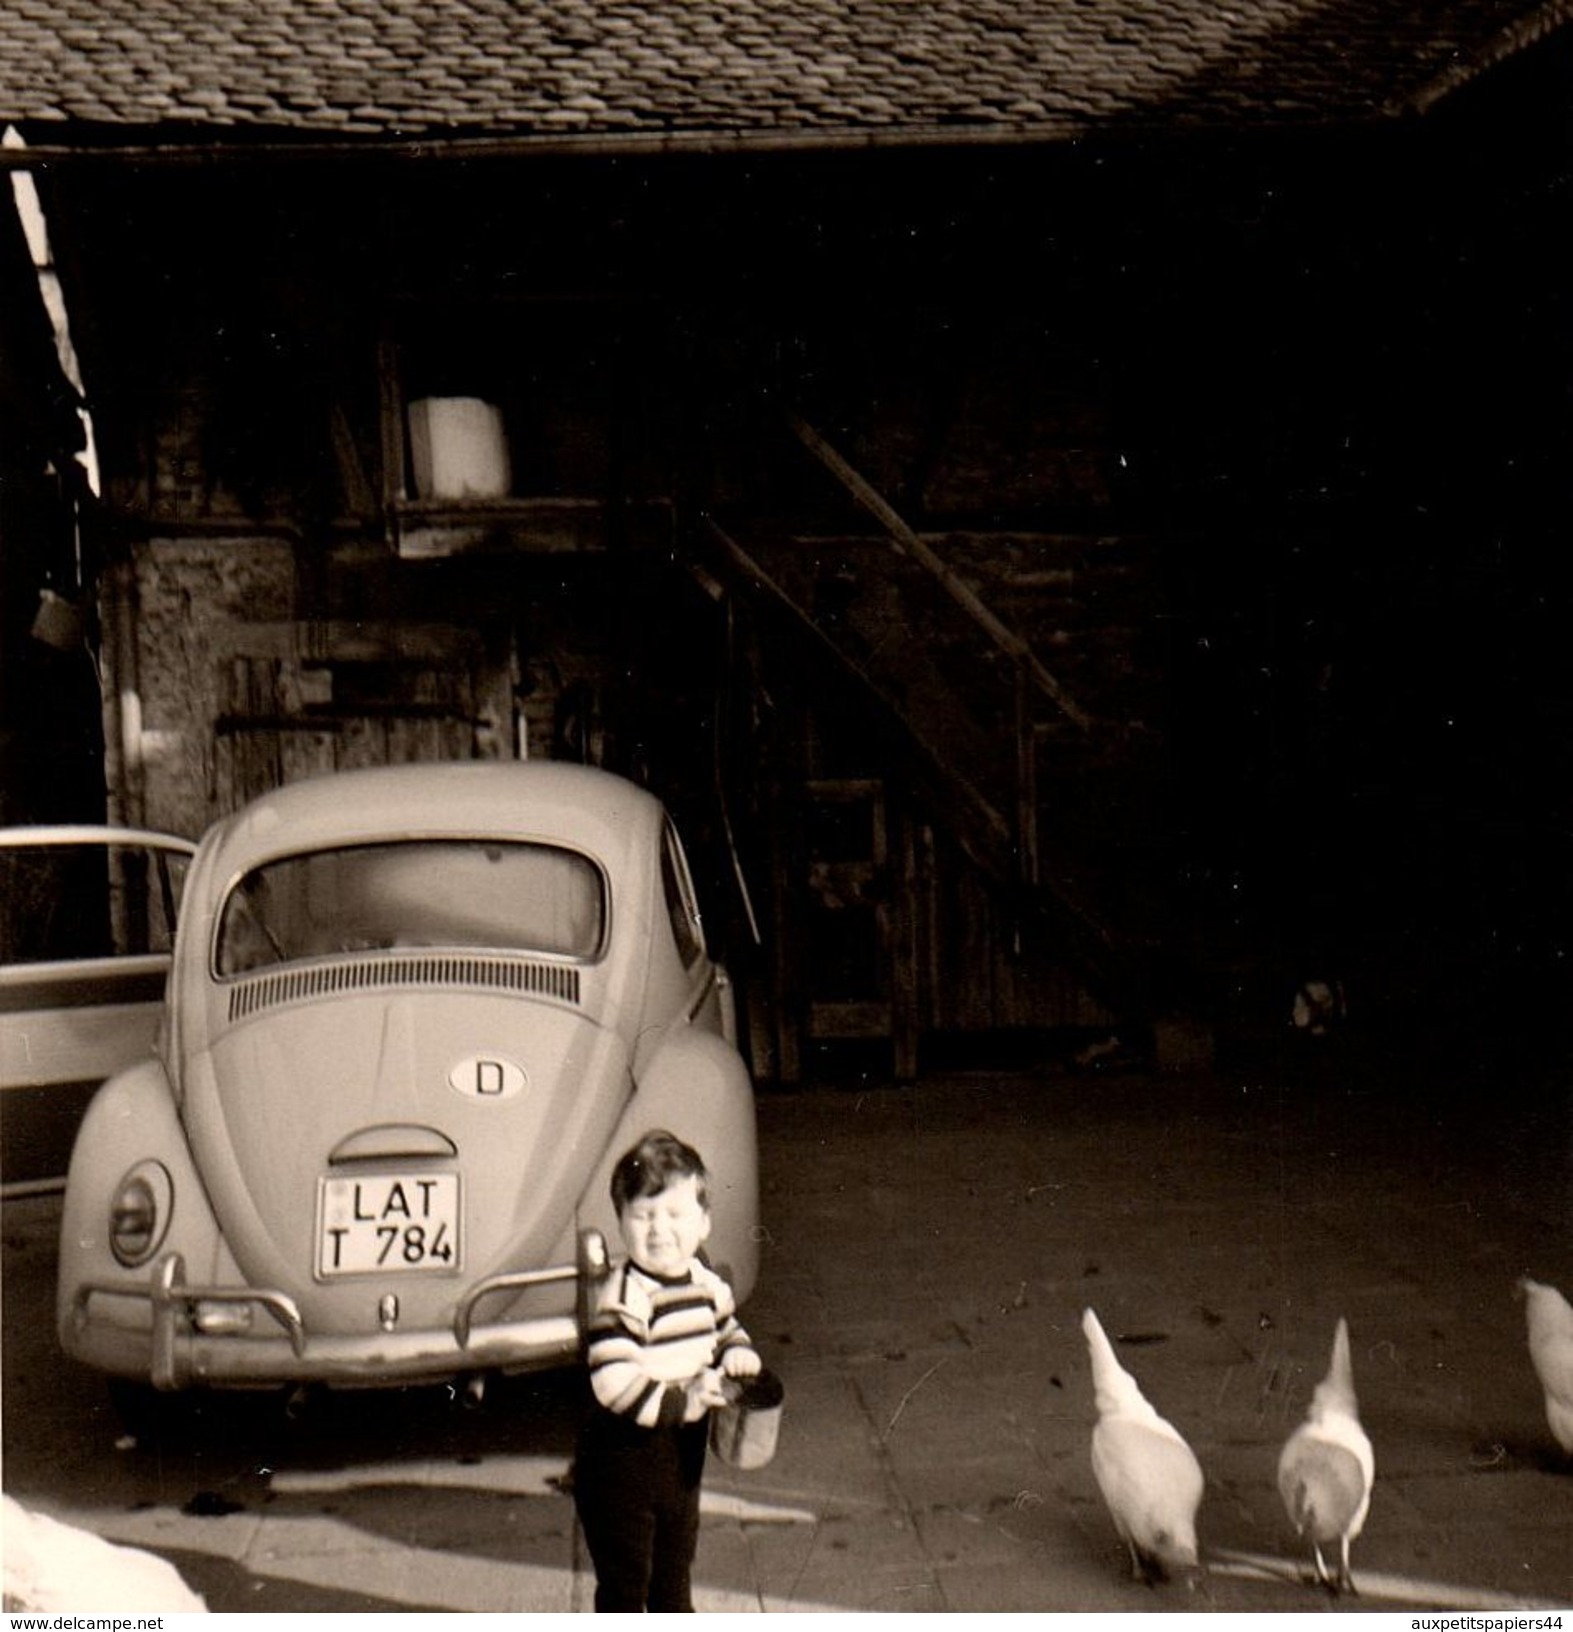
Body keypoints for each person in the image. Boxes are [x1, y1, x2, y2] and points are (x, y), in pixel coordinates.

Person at [573, 1129, 761, 1612]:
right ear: (621, 1223)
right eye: (643, 1215)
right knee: (626, 1580)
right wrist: (688, 1401)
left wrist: (738, 1354)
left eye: (675, 1214)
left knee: (674, 1565)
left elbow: (725, 1329)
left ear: (703, 1224)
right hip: (622, 1460)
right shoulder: (625, 1298)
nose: (659, 1229)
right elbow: (613, 1382)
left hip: (679, 1456)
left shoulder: (705, 1284)